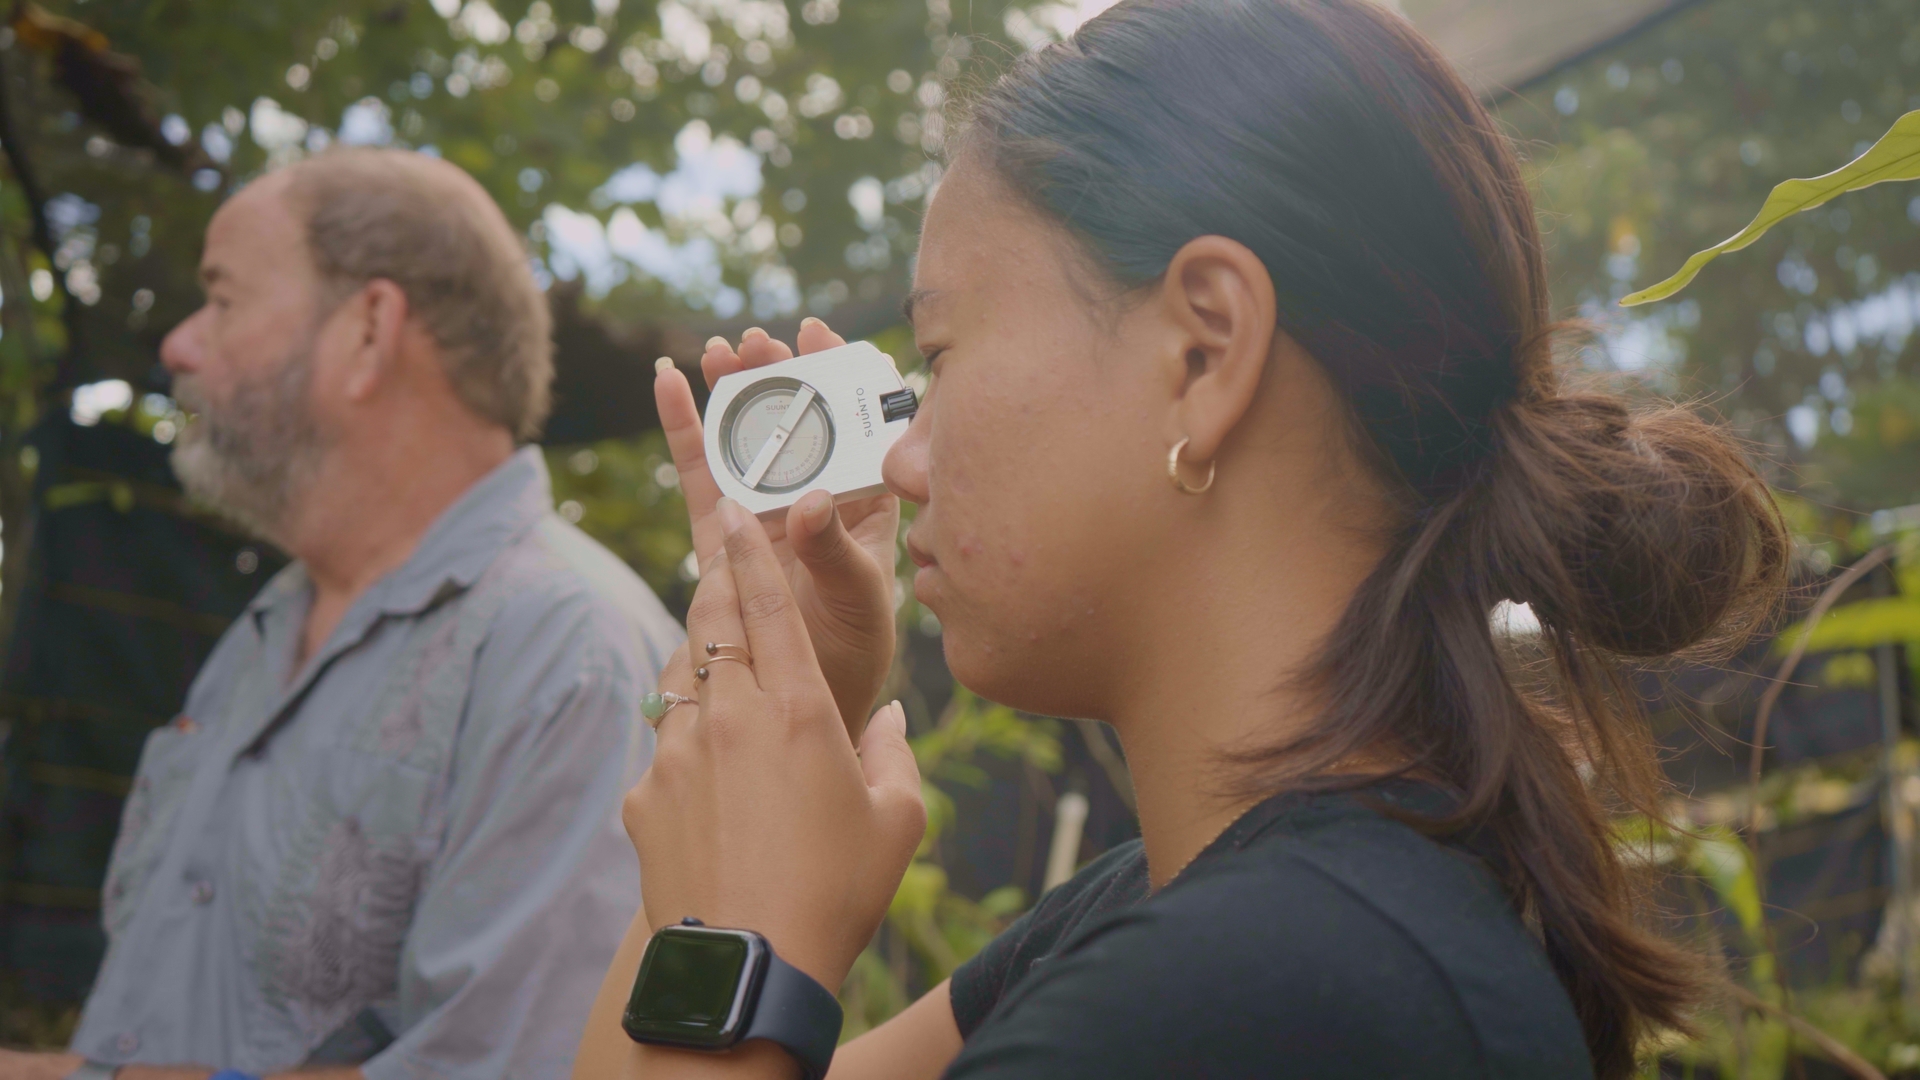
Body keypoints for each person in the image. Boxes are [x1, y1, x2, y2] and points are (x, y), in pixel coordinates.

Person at [573, 1, 1792, 1078]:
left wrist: (740, 948)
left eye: (939, 354)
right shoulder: (1224, 915)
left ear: (1204, 354)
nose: (899, 459)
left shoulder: (1266, 989)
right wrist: (753, 700)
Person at [0, 148, 685, 1080]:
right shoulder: (263, 633)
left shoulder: (566, 650)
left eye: (224, 299)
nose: (179, 344)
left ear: (368, 331)